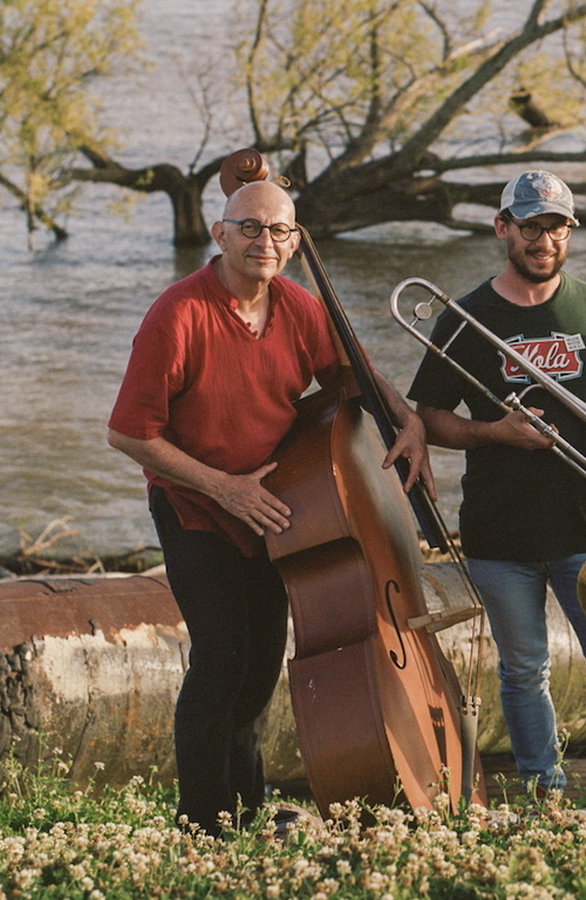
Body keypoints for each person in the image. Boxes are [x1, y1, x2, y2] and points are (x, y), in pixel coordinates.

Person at [107, 180, 432, 836]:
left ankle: (244, 815)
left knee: (260, 665)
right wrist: (222, 486)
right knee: (222, 656)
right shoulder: (178, 315)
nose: (266, 242)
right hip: (195, 505)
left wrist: (408, 418)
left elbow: (350, 375)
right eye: (250, 228)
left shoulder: (298, 304)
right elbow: (127, 433)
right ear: (220, 234)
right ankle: (200, 822)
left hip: (278, 505)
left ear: (294, 240)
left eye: (280, 230)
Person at [406, 170, 586, 803]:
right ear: (504, 228)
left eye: (557, 227)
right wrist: (497, 432)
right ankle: (544, 792)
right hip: (501, 533)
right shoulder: (465, 316)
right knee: (523, 673)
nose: (544, 239)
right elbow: (429, 418)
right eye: (531, 226)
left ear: (569, 232)